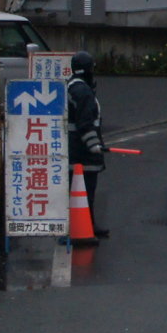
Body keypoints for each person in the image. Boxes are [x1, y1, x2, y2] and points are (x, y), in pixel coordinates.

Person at [66, 50, 108, 237]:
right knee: (85, 192)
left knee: (79, 191)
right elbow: (85, 123)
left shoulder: (72, 86)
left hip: (74, 149)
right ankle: (86, 226)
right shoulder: (83, 92)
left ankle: (87, 224)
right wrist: (94, 146)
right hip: (82, 151)